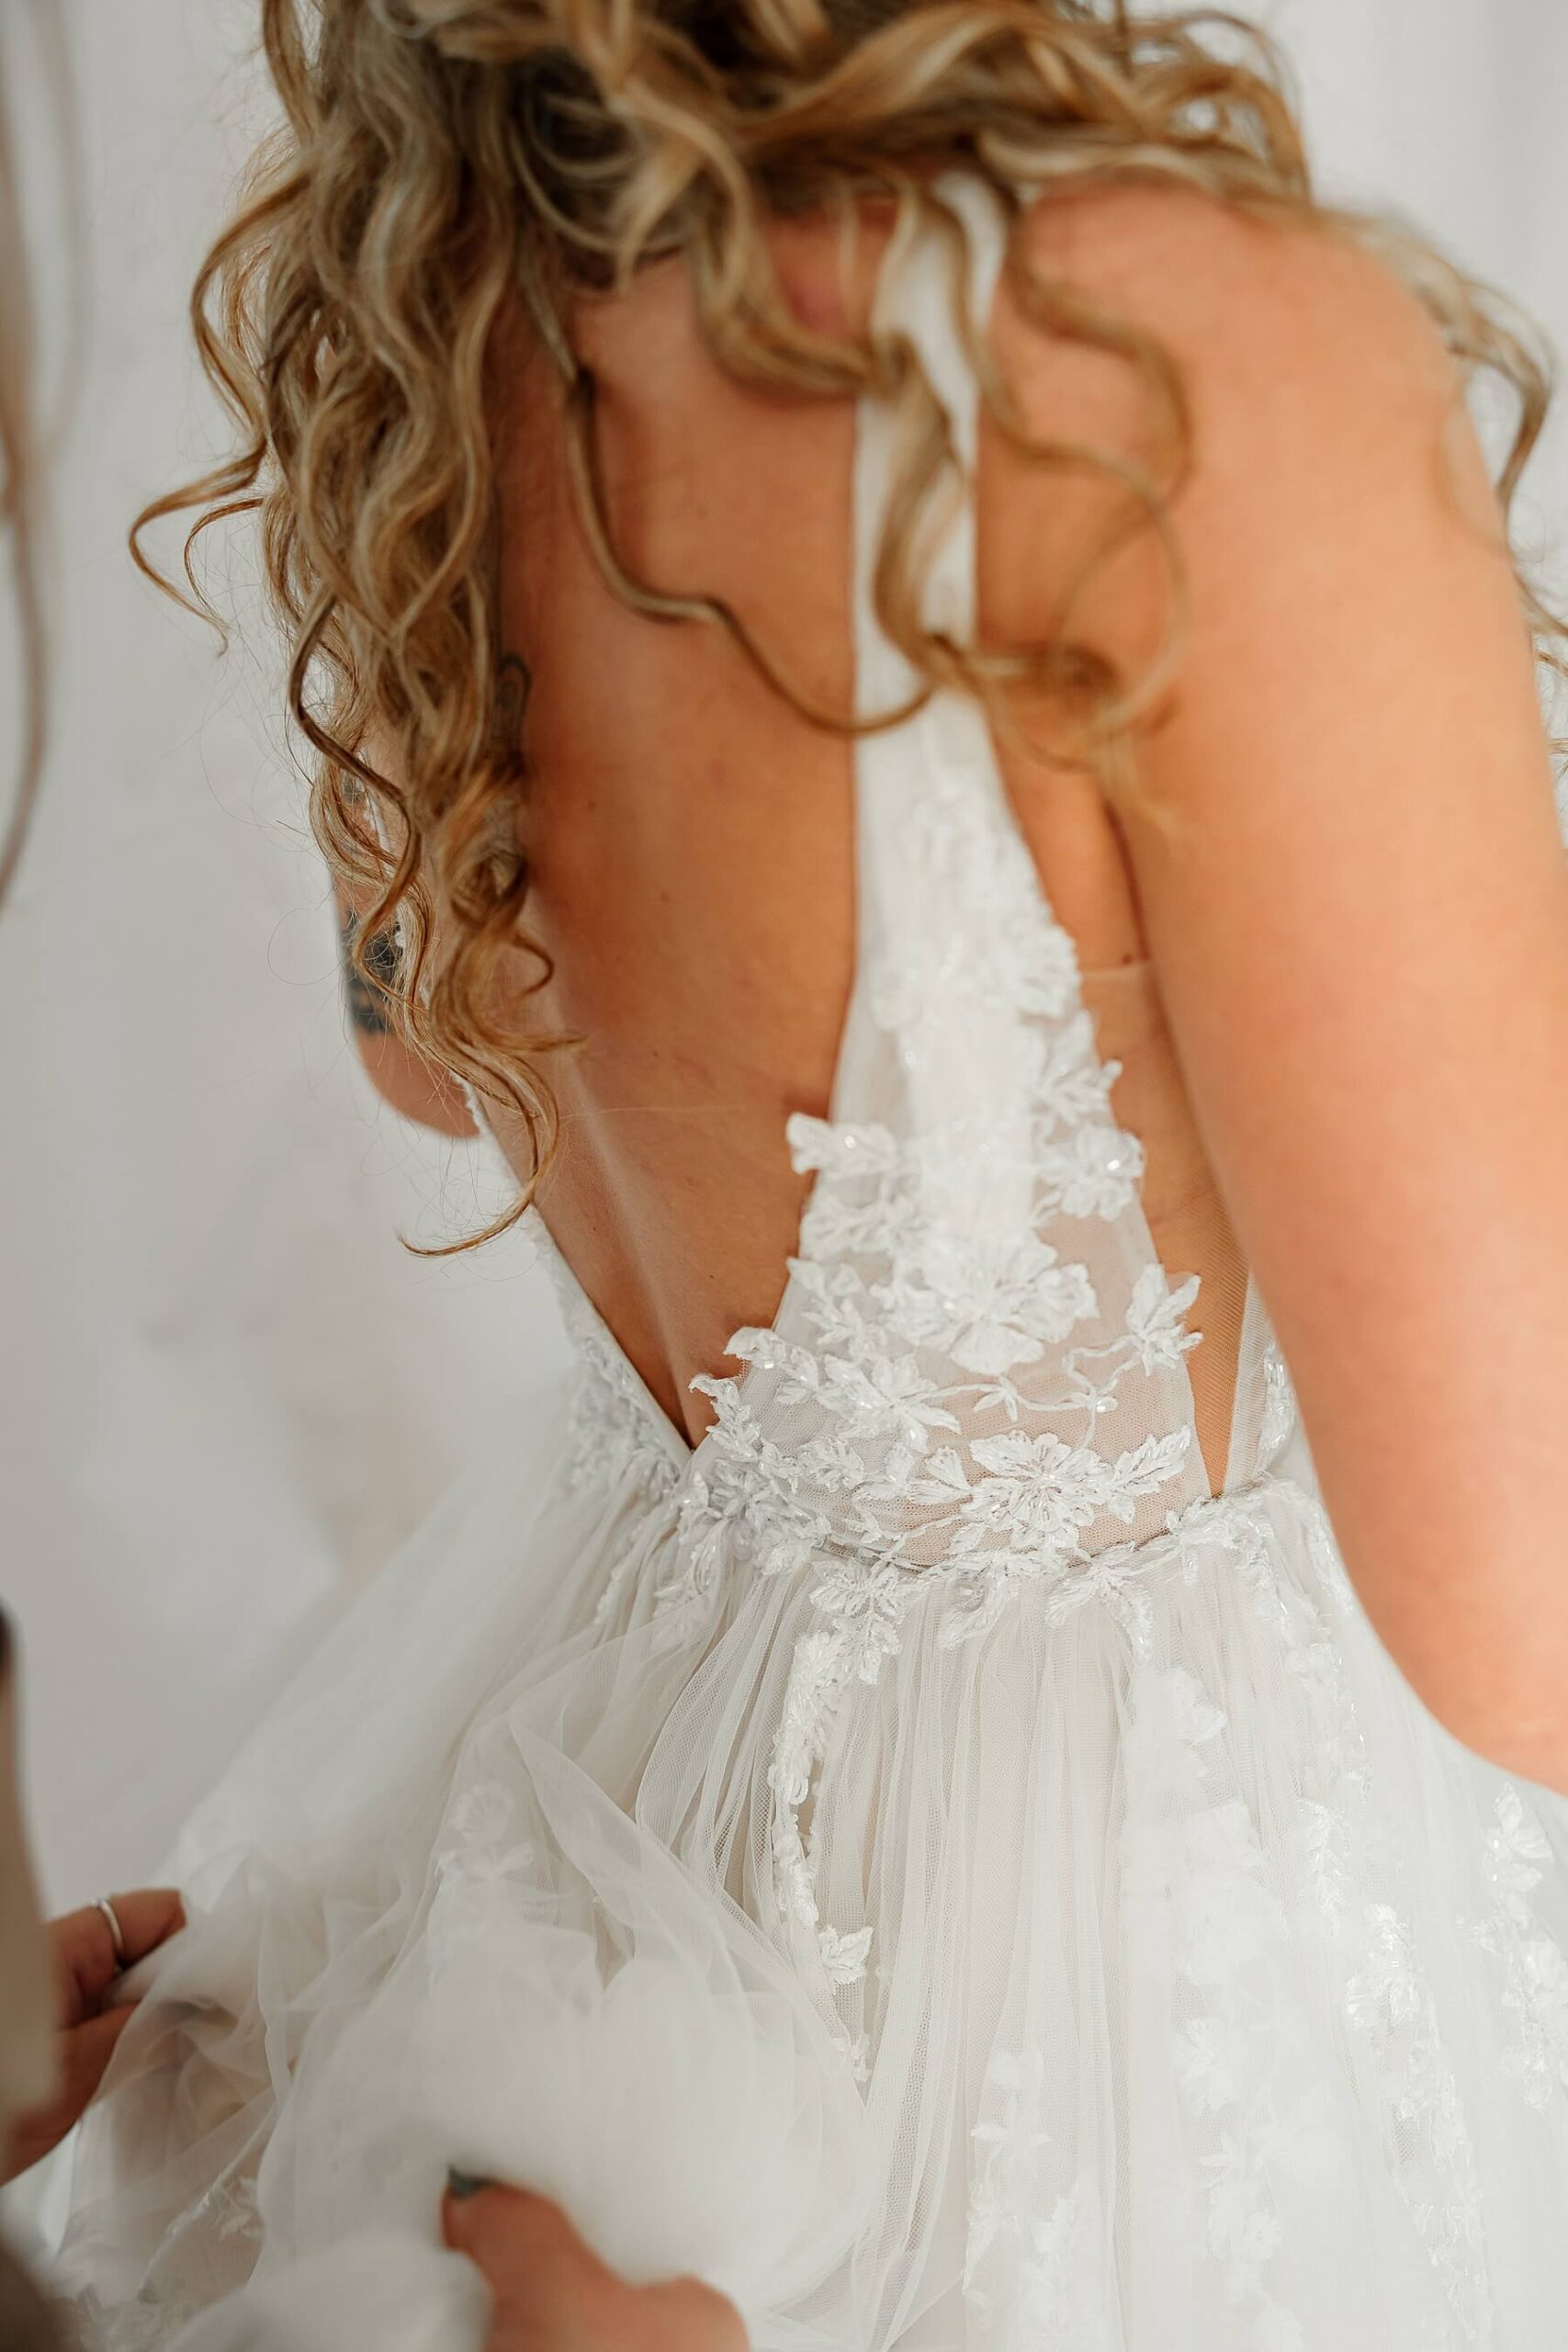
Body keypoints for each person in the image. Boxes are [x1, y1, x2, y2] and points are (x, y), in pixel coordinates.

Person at [35, 0, 1568, 2344]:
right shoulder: (1181, 372)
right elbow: (1526, 1622)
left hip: (605, 1808)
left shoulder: (431, 302)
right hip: (1136, 1971)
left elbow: (427, 1070)